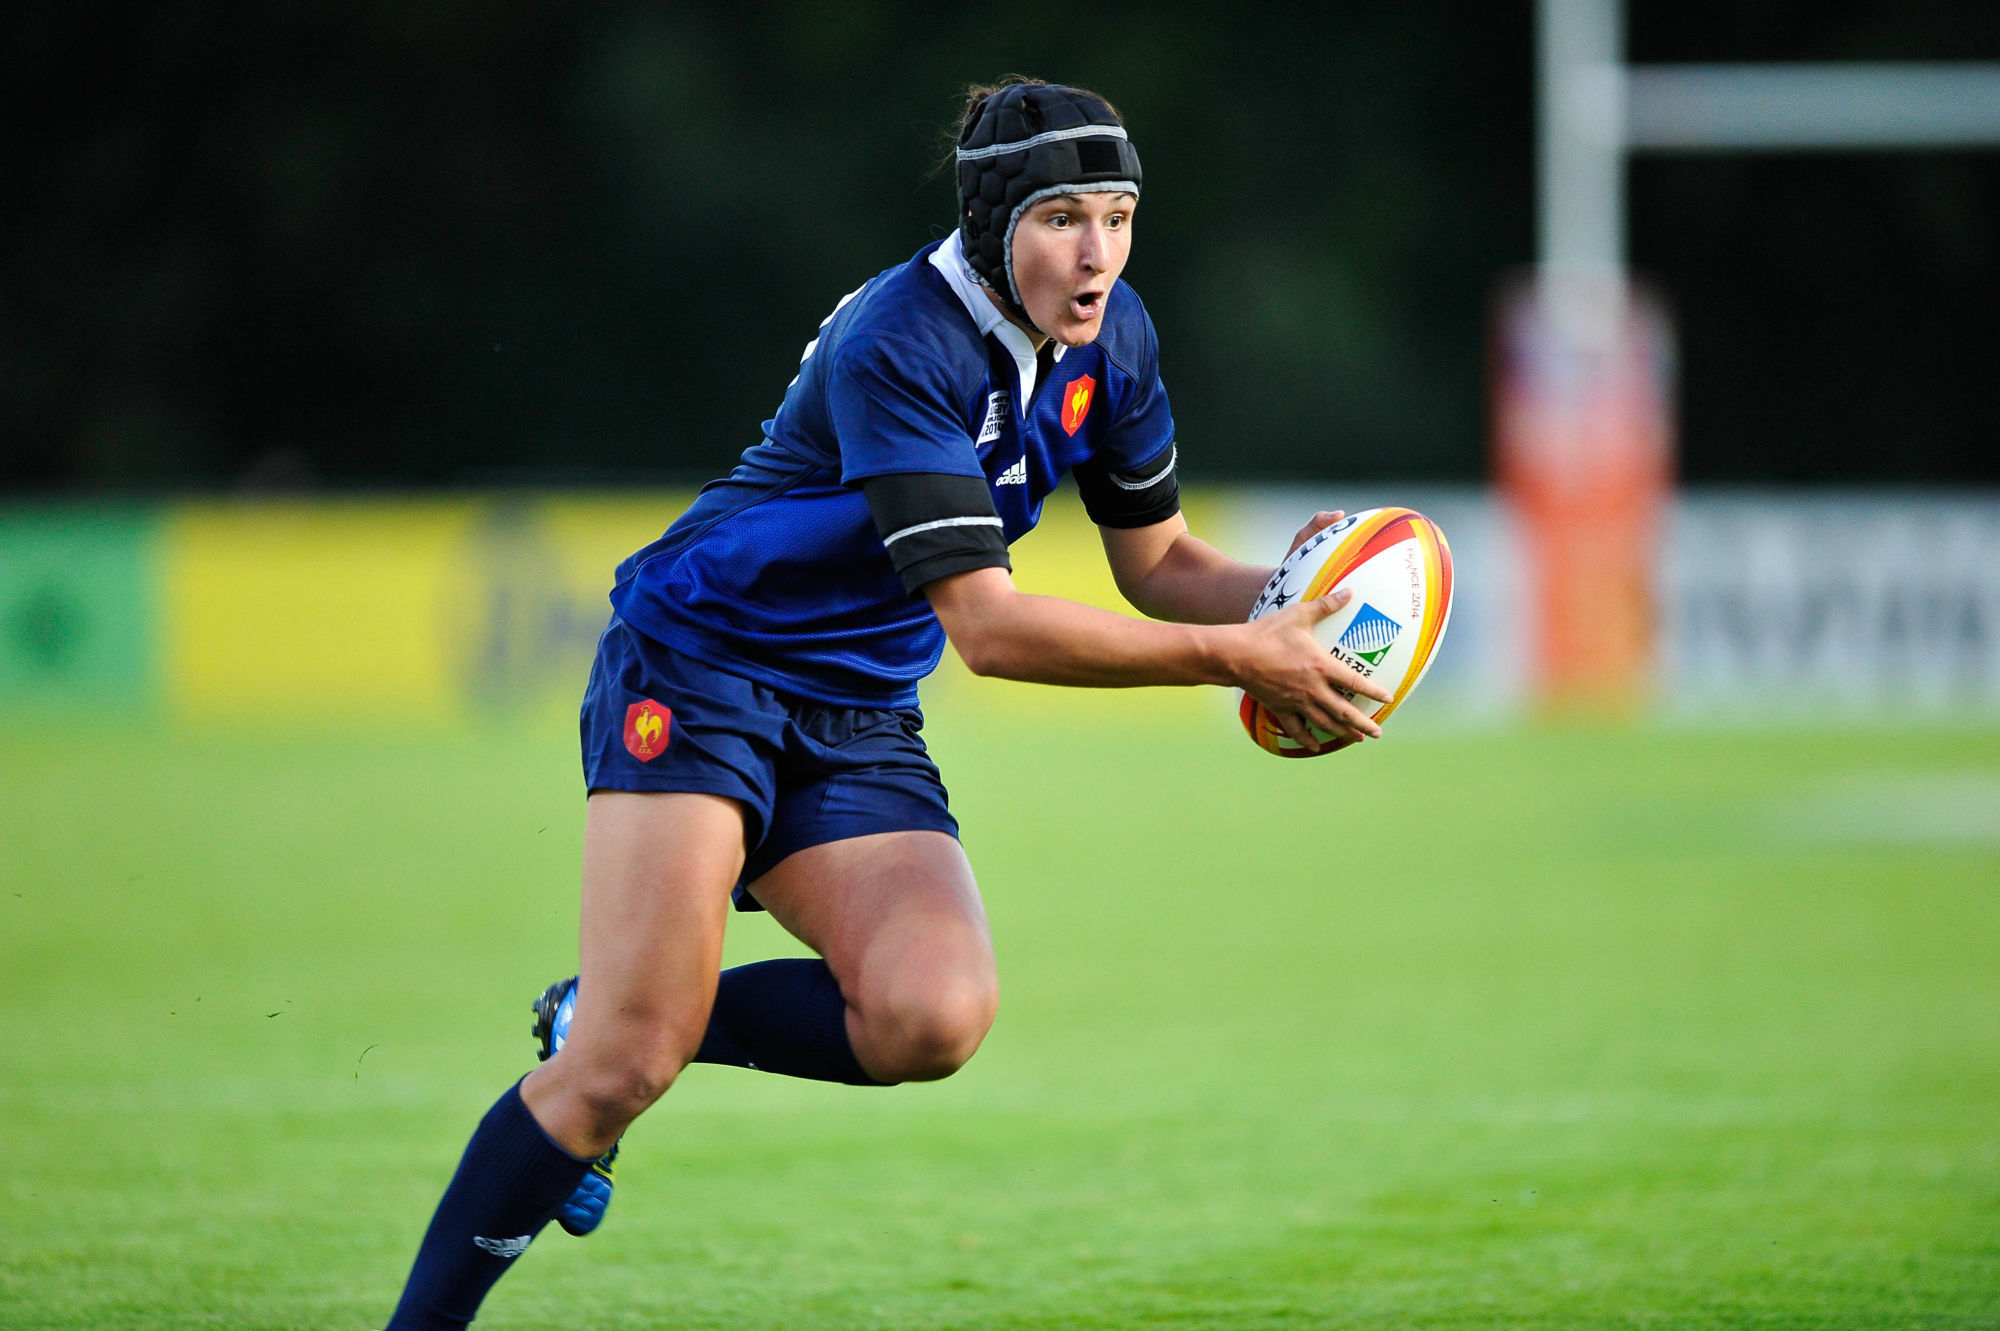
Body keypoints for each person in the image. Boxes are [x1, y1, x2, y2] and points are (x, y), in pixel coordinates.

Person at [383, 77, 1390, 1330]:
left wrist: (1304, 596)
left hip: (855, 708)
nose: (1097, 252)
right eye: (1063, 217)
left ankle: (621, 1006)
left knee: (932, 1013)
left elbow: (1161, 563)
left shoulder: (1111, 338)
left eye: (1119, 215)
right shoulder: (899, 340)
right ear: (991, 219)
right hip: (702, 664)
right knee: (615, 1074)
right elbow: (989, 627)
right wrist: (1239, 661)